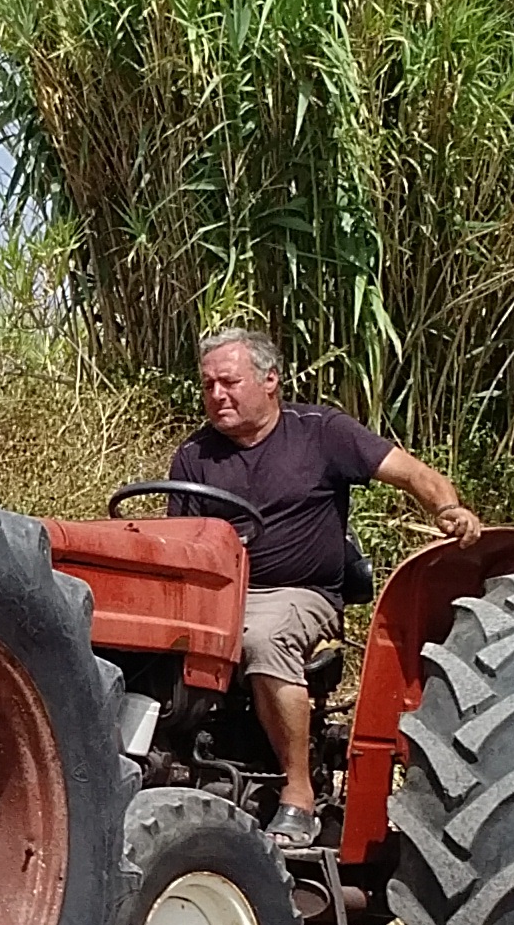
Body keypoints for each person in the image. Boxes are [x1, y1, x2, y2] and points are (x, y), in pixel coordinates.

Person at [170, 323, 479, 852]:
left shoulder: (320, 432)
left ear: (271, 380)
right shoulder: (193, 457)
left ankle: (299, 794)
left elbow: (413, 475)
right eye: (207, 385)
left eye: (229, 382)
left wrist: (448, 508)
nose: (217, 395)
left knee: (262, 639)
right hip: (220, 597)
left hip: (298, 593)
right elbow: (178, 544)